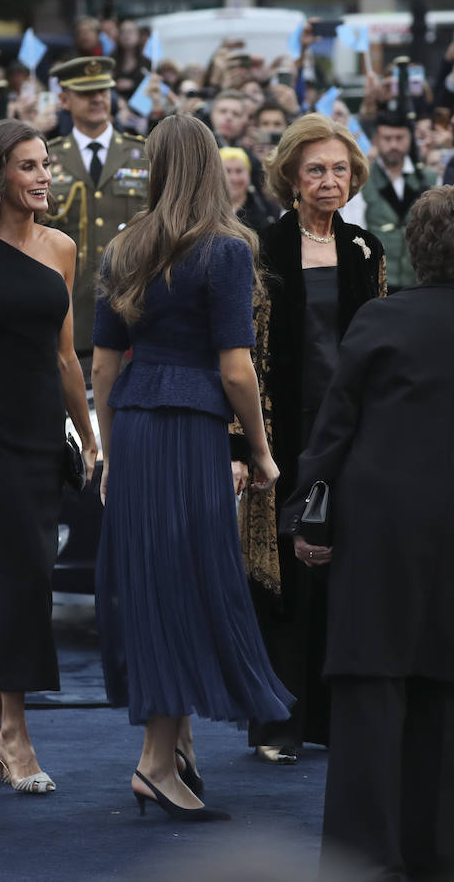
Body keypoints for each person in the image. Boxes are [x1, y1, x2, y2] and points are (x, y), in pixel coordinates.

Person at [285, 184, 454, 882]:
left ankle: (363, 865)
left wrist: (308, 513)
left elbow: (334, 429)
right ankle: (436, 864)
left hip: (378, 539)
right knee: (442, 709)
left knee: (369, 706)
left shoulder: (378, 320)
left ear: (417, 247)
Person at [91, 113, 292, 822]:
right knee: (189, 584)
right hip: (191, 431)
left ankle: (173, 751)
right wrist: (262, 451)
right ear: (212, 166)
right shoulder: (227, 250)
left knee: (155, 586)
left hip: (140, 430)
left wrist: (111, 454)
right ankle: (155, 762)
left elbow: (105, 367)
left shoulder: (123, 246)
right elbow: (237, 370)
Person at [0, 119, 99, 795]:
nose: (42, 178)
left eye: (45, 166)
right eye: (28, 167)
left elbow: (65, 355)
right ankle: (16, 734)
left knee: (11, 572)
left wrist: (87, 434)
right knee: (26, 573)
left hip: (42, 432)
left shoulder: (61, 247)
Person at [240, 113, 386, 766]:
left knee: (343, 575)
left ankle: (333, 718)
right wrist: (248, 446)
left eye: (340, 170)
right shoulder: (262, 249)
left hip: (351, 431)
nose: (331, 181)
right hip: (282, 431)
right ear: (292, 180)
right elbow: (246, 351)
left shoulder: (365, 249)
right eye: (316, 171)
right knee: (281, 578)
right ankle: (277, 722)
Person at [43, 56, 149, 368]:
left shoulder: (141, 155)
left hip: (133, 307)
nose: (97, 99)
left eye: (103, 90)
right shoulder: (48, 158)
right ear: (64, 99)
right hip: (70, 313)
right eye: (86, 93)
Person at [357, 110, 436, 292]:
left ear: (411, 137)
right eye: (387, 138)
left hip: (418, 281)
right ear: (376, 139)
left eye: (400, 138)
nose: (394, 144)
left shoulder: (428, 179)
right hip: (376, 282)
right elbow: (356, 231)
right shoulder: (363, 180)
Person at [221, 145, 276, 231]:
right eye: (227, 171)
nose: (233, 178)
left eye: (239, 171)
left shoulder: (267, 212)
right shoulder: (206, 211)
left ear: (249, 175)